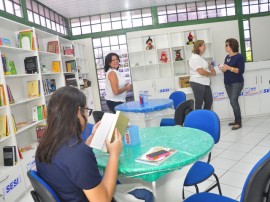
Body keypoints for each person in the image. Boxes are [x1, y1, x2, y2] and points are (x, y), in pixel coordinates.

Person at [36, 86, 153, 202]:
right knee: (146, 194)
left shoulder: (45, 145)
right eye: (86, 110)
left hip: (70, 195)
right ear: (77, 112)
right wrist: (114, 154)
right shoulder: (77, 153)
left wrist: (92, 138)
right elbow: (103, 200)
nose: (87, 116)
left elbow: (71, 164)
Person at [220, 38, 245, 130]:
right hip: (228, 83)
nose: (225, 46)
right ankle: (236, 120)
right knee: (233, 101)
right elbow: (226, 69)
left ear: (232, 46)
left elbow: (241, 71)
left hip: (237, 83)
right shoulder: (227, 57)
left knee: (233, 101)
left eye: (227, 45)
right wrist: (223, 68)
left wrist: (229, 68)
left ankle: (238, 122)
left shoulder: (239, 57)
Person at [189, 40, 216, 110]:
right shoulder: (195, 58)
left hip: (204, 82)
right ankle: (198, 120)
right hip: (198, 82)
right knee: (199, 103)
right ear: (199, 47)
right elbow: (201, 71)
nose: (205, 47)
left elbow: (203, 69)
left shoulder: (200, 57)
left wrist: (209, 66)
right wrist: (210, 74)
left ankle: (204, 117)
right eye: (204, 45)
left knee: (209, 101)